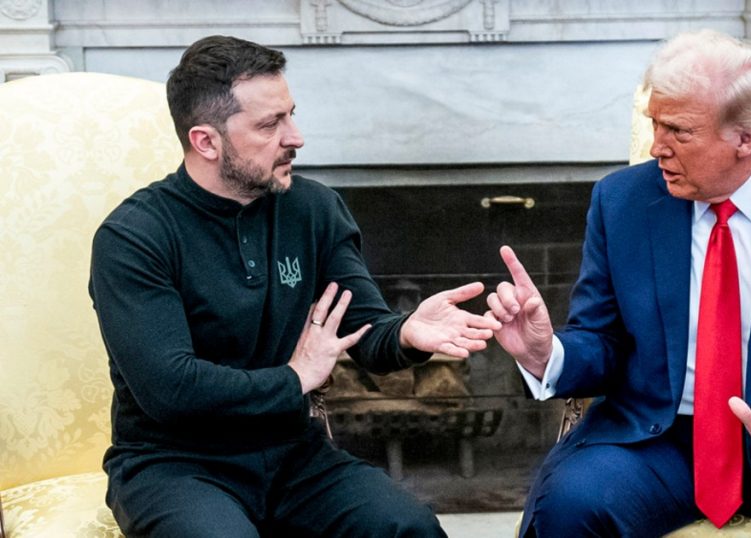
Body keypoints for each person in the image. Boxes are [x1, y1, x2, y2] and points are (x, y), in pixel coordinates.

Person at [486, 29, 751, 537]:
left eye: (678, 131)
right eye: (655, 124)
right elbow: (603, 339)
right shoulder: (622, 202)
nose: (657, 148)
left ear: (745, 138)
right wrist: (547, 355)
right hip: (658, 438)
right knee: (567, 506)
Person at [88, 35, 501, 538]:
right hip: (173, 465)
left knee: (407, 526)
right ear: (206, 142)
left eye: (291, 115)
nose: (296, 137)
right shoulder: (134, 237)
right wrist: (294, 377)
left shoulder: (313, 210)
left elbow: (364, 331)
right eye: (270, 125)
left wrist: (407, 332)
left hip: (292, 455)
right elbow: (171, 390)